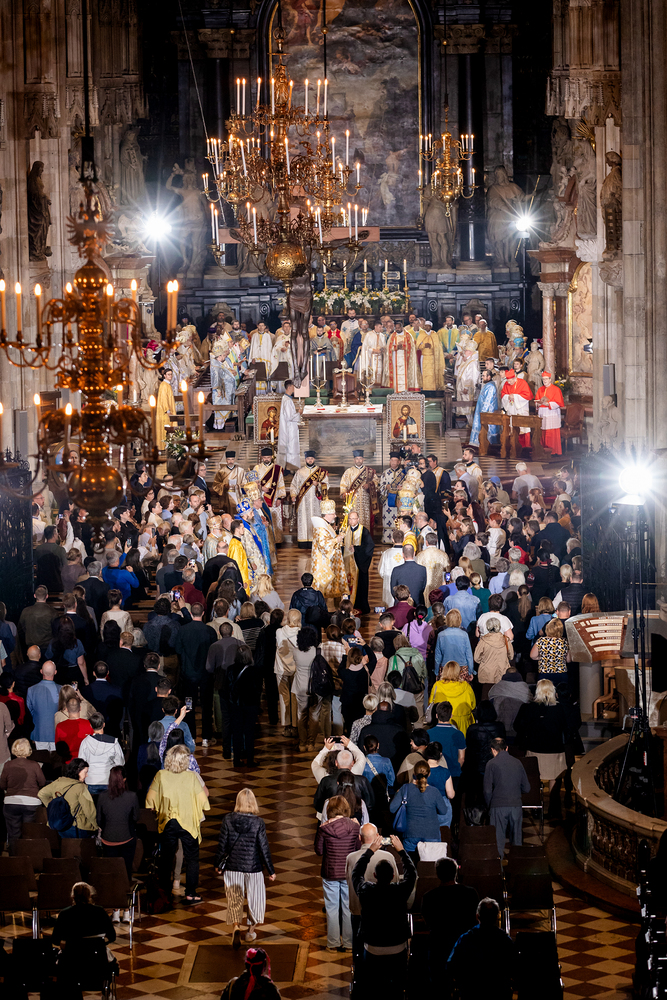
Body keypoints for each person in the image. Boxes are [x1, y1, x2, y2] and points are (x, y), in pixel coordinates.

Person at [351, 833, 417, 1000]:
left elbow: (356, 873)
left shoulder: (366, 891)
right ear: (393, 876)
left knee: (374, 987)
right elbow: (411, 874)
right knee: (396, 988)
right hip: (397, 946)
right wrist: (401, 851)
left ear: (374, 875)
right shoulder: (400, 891)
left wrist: (370, 851)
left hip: (373, 947)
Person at [146, 743, 210, 905]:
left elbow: (150, 800)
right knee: (192, 858)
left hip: (168, 822)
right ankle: (191, 893)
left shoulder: (161, 775)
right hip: (188, 822)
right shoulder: (192, 777)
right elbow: (204, 802)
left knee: (166, 858)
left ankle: (165, 892)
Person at [215, 787, 275, 948]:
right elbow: (264, 847)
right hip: (253, 867)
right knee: (256, 900)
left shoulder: (228, 819)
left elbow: (222, 844)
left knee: (234, 899)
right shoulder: (258, 822)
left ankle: (236, 927)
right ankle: (250, 933)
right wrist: (270, 870)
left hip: (232, 866)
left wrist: (218, 864)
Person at [447, 896, 517, 1000]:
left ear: (477, 916)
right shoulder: (505, 940)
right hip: (499, 994)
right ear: (497, 917)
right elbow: (515, 968)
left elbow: (451, 966)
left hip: (471, 994)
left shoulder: (465, 939)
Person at [314, 794, 360, 952]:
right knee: (348, 908)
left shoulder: (324, 828)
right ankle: (349, 943)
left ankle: (333, 943)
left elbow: (319, 851)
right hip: (348, 872)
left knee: (332, 908)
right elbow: (358, 849)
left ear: (330, 810)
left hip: (330, 872)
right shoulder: (354, 827)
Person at [97, 765, 140, 919]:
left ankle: (115, 911)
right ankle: (126, 911)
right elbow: (136, 818)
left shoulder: (102, 797)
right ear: (125, 779)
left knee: (113, 875)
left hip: (108, 840)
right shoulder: (132, 796)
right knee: (126, 873)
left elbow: (99, 820)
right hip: (127, 838)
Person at [422, 858, 479, 967]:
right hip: (465, 946)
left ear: (437, 874)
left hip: (439, 947)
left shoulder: (429, 897)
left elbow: (429, 923)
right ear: (456, 872)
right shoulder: (470, 893)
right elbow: (474, 920)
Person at [174, 602, 217, 746]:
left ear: (191, 613)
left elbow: (178, 649)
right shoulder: (210, 631)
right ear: (203, 613)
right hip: (206, 674)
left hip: (188, 675)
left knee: (189, 706)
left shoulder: (183, 630)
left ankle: (191, 736)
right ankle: (206, 737)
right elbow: (214, 652)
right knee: (206, 705)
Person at [514, 678, 568, 787]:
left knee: (534, 776)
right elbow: (565, 727)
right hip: (555, 748)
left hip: (534, 747)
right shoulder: (559, 708)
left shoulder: (528, 708)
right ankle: (553, 797)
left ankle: (537, 796)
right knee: (554, 776)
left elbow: (518, 726)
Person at [389, 759, 450, 853]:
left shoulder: (405, 788)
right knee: (430, 862)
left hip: (411, 833)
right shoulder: (434, 791)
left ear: (414, 774)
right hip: (432, 834)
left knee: (409, 860)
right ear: (429, 774)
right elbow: (443, 811)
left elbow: (392, 809)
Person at [483, 737, 531, 855]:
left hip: (498, 806)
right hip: (516, 805)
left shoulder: (491, 763)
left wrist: (490, 805)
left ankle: (499, 865)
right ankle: (516, 864)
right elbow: (527, 788)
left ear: (493, 750)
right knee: (517, 841)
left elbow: (487, 790)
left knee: (498, 842)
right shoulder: (517, 762)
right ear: (507, 748)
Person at [39, 757, 98, 838]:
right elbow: (89, 811)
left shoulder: (58, 782)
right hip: (77, 826)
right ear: (78, 771)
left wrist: (52, 806)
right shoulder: (81, 788)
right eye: (85, 772)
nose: (87, 775)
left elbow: (41, 794)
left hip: (60, 824)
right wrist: (96, 826)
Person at [0, 737, 47, 839]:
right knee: (29, 833)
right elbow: (42, 782)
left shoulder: (8, 765)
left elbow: (2, 785)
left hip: (11, 802)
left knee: (14, 834)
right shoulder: (34, 765)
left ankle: (14, 848)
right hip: (32, 802)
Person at [78, 711, 125, 795]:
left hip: (91, 780)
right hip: (108, 780)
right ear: (104, 724)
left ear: (91, 725)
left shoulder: (85, 742)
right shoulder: (113, 742)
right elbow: (120, 763)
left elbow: (81, 763)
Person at [310, 499, 347, 603]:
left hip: (329, 562)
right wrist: (337, 539)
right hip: (323, 564)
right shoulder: (321, 528)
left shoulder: (326, 525)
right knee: (323, 591)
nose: (335, 516)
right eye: (333, 513)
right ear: (327, 514)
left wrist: (338, 538)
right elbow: (323, 546)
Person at [290, 450, 328, 548]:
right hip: (303, 502)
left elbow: (327, 485)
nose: (310, 460)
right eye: (308, 459)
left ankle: (315, 541)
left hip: (316, 501)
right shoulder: (300, 472)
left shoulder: (321, 472)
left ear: (314, 459)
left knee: (316, 519)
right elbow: (294, 485)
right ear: (305, 459)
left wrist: (318, 484)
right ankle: (303, 541)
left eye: (311, 459)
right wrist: (293, 495)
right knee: (303, 520)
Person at [429, 661, 476, 735]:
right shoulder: (466, 686)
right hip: (463, 723)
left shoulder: (437, 685)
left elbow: (431, 702)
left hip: (443, 723)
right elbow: (473, 705)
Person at [339, 450, 379, 533]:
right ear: (354, 460)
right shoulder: (348, 472)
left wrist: (369, 485)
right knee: (353, 519)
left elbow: (376, 482)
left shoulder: (369, 472)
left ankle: (365, 538)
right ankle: (353, 537)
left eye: (360, 458)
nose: (358, 460)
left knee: (365, 521)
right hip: (353, 502)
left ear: (363, 459)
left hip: (366, 501)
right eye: (357, 459)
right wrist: (343, 493)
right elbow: (343, 485)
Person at [343, 510, 375, 616]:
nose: (352, 521)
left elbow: (369, 546)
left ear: (358, 519)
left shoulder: (364, 531)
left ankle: (360, 606)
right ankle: (347, 605)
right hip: (347, 564)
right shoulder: (345, 530)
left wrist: (356, 549)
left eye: (354, 518)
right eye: (350, 519)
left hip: (359, 565)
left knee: (360, 585)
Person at [474, 617, 514, 699]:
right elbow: (511, 656)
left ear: (488, 627)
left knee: (486, 697)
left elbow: (476, 658)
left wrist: (484, 660)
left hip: (487, 674)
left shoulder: (483, 640)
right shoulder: (505, 640)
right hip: (502, 673)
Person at [26, 660, 61, 749]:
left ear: (41, 671)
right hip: (57, 733)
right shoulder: (62, 689)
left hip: (39, 732)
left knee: (41, 757)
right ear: (55, 672)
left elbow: (30, 711)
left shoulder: (31, 690)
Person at [434, 608, 474, 679]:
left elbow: (438, 657)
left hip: (446, 668)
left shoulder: (441, 635)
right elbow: (469, 655)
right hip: (462, 668)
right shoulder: (464, 635)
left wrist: (437, 672)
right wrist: (470, 671)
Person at [530, 617, 571, 683]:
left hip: (544, 673)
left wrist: (543, 657)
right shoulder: (565, 642)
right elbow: (568, 660)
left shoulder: (541, 641)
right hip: (561, 673)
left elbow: (532, 656)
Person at [55, 695, 93, 760]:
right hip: (85, 760)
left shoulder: (60, 726)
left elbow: (58, 746)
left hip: (67, 761)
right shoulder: (89, 724)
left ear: (66, 709)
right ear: (80, 708)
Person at [535, 371, 565, 455]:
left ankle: (553, 451)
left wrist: (548, 404)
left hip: (551, 412)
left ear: (550, 379)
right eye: (543, 379)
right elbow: (537, 400)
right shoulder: (540, 389)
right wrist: (538, 404)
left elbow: (558, 403)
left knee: (551, 432)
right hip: (542, 412)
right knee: (543, 432)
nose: (544, 381)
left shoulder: (556, 389)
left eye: (546, 379)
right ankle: (543, 450)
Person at [389, 544, 427, 608]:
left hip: (400, 605)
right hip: (418, 605)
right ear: (414, 553)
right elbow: (423, 587)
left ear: (403, 554)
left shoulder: (396, 570)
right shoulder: (422, 569)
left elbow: (393, 590)